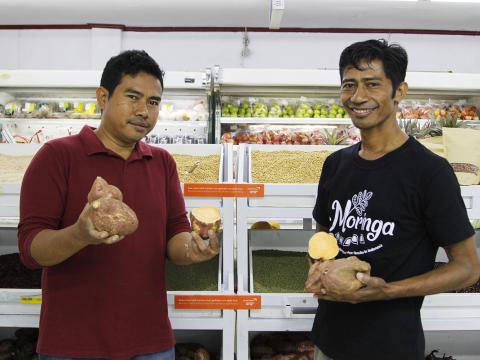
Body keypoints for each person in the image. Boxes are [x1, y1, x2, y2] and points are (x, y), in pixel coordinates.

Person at [18, 50, 219, 360]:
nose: (144, 111)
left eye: (153, 102)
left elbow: (175, 236)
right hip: (72, 346)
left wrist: (194, 248)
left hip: (151, 343)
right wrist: (81, 233)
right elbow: (31, 249)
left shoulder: (162, 162)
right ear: (103, 97)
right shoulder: (57, 156)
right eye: (133, 97)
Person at [306, 39, 480, 360]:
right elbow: (324, 238)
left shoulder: (429, 172)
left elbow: (468, 268)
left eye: (372, 84)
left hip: (390, 346)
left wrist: (388, 291)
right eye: (349, 85)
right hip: (328, 342)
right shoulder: (336, 164)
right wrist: (318, 268)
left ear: (399, 91)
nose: (358, 97)